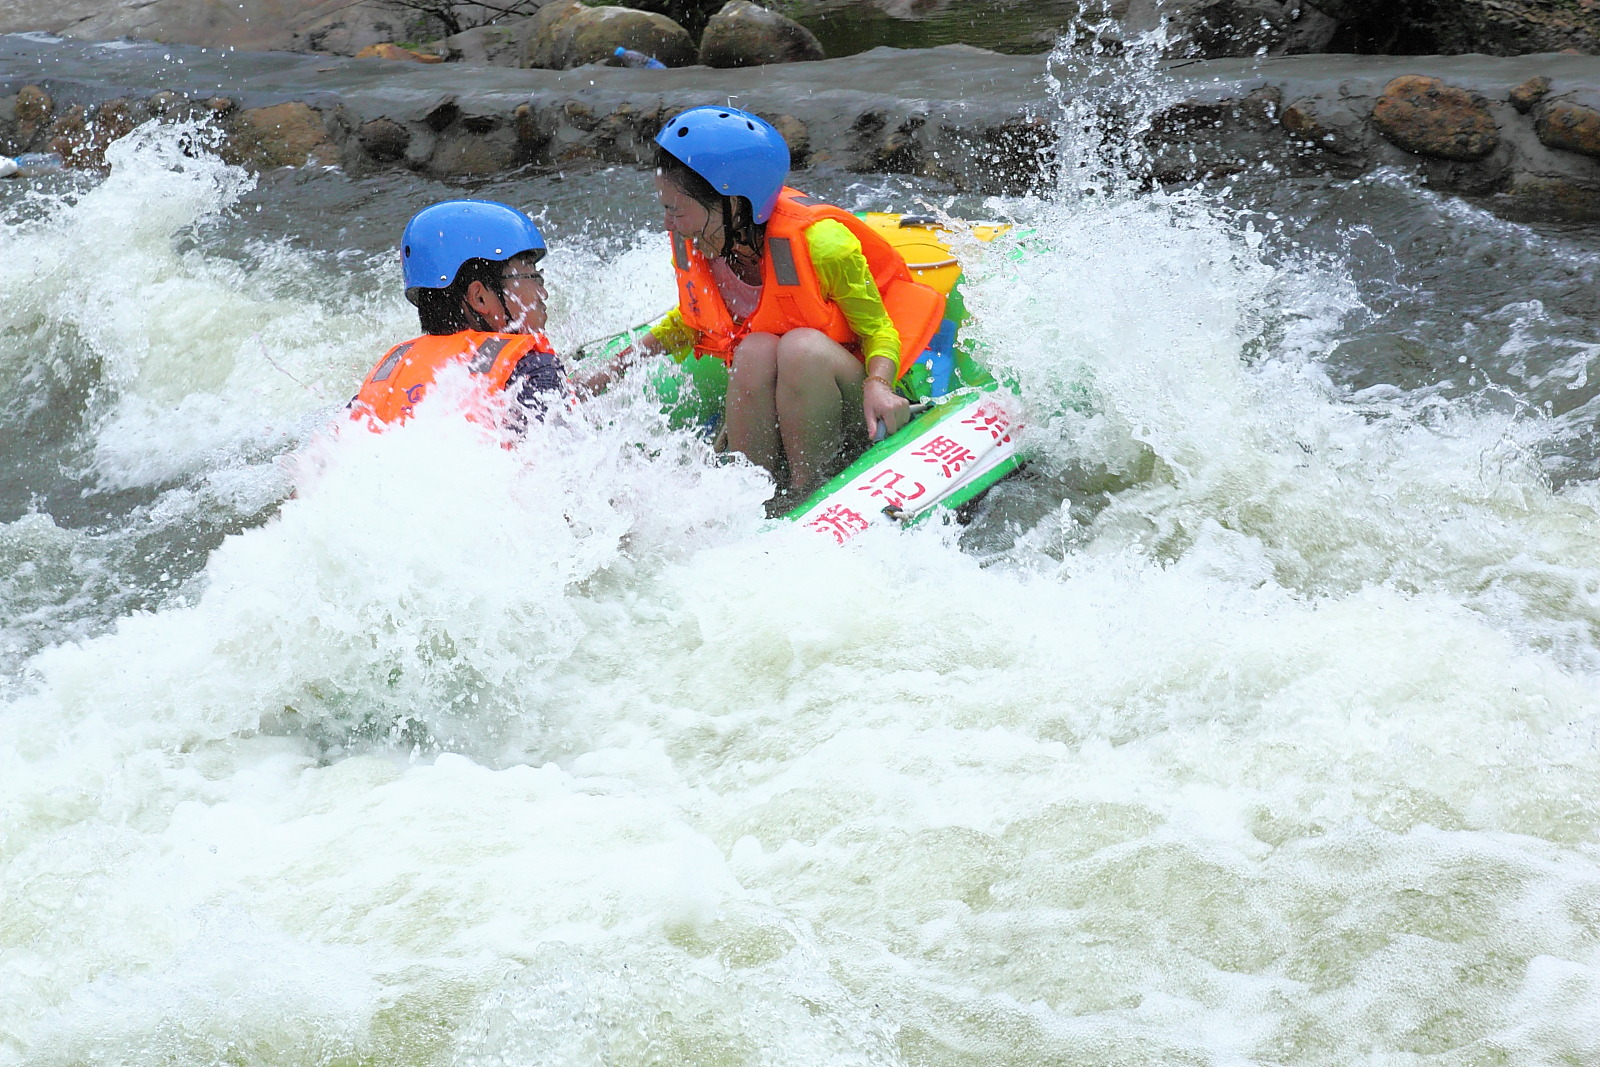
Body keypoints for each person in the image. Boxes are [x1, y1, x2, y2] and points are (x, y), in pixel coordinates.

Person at [616, 106, 947, 499]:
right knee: (754, 348)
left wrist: (878, 384)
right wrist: (607, 372)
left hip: (852, 401)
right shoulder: (707, 244)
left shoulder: (822, 244)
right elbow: (692, 320)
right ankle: (754, 494)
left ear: (733, 204)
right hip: (783, 404)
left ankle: (807, 490)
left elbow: (879, 330)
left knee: (800, 348)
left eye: (675, 209)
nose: (668, 223)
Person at [349, 199, 570, 430]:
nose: (542, 292)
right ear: (479, 297)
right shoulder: (533, 368)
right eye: (533, 277)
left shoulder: (383, 385)